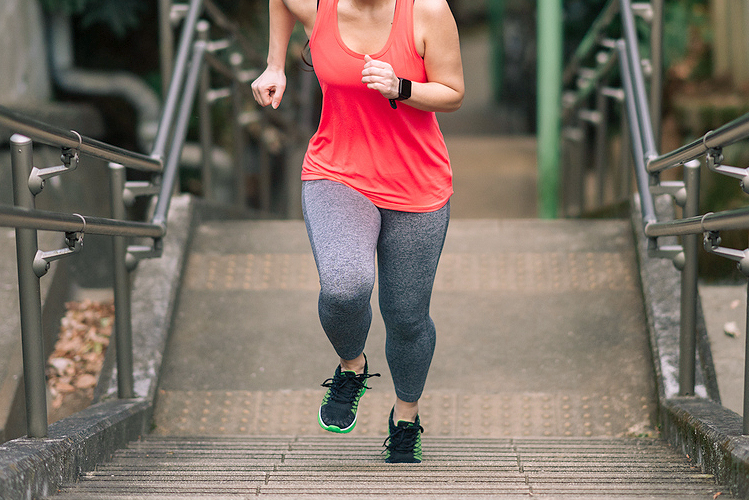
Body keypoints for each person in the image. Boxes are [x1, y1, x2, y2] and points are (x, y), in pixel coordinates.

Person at [252, 0, 464, 463]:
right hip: (337, 171)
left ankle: (405, 419)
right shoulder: (319, 6)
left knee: (406, 317)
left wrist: (401, 86)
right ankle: (352, 366)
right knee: (345, 288)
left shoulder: (426, 11)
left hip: (417, 184)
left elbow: (453, 92)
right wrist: (274, 65)